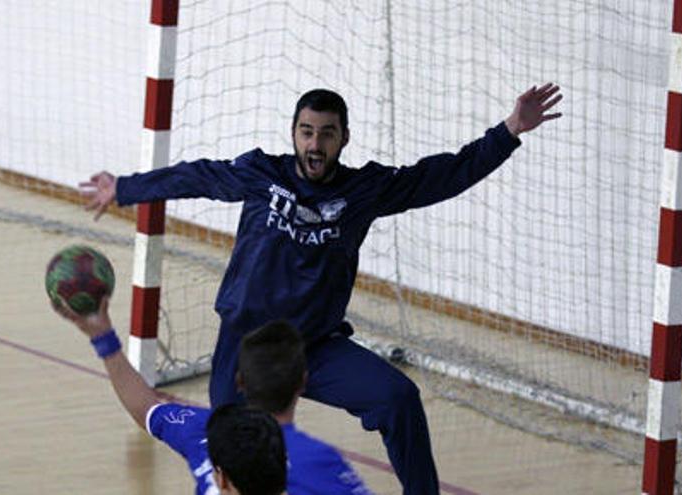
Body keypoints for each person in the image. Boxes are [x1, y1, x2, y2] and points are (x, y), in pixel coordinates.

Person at [82, 83, 563, 494]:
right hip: (247, 348)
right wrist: (124, 188)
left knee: (399, 399)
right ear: (293, 134)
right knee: (230, 452)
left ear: (344, 139)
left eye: (327, 134)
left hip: (314, 347)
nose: (315, 144)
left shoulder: (363, 191)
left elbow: (438, 177)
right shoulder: (261, 174)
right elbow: (197, 176)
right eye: (307, 132)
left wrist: (508, 133)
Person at [52, 296, 371, 494]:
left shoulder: (207, 433)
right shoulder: (321, 463)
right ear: (302, 382)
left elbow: (144, 407)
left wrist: (102, 335)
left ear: (240, 381)